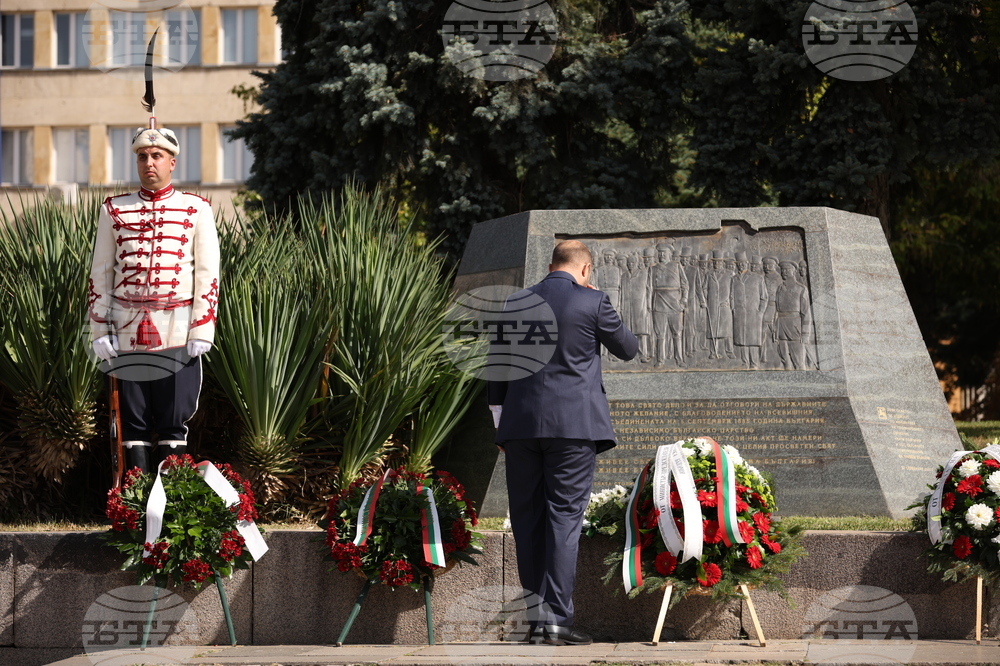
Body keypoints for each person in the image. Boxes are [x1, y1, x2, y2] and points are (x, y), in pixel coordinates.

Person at [488, 240, 637, 646]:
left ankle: (537, 622)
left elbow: (497, 365)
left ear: (551, 265)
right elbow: (628, 348)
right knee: (563, 519)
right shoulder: (593, 301)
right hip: (573, 428)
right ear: (585, 269)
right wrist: (598, 303)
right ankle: (555, 622)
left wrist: (501, 424)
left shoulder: (516, 302)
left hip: (519, 429)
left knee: (527, 519)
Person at [88, 124, 219, 472]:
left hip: (179, 335)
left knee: (175, 419)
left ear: (172, 162)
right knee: (133, 421)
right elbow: (100, 272)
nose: (149, 162)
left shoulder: (197, 209)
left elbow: (208, 274)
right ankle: (133, 505)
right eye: (143, 156)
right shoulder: (114, 210)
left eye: (157, 156)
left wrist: (202, 329)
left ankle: (172, 504)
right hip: (126, 334)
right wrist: (99, 328)